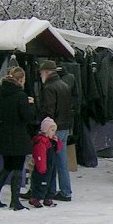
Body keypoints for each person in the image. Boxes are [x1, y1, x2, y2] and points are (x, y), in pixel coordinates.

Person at [0, 66, 34, 211]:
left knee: (7, 165)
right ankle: (15, 201)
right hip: (18, 134)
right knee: (17, 166)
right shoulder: (21, 96)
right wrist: (31, 105)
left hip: (3, 133)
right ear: (21, 79)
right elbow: (27, 117)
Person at [39, 59, 73, 202]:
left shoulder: (49, 88)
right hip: (65, 126)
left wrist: (45, 128)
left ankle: (58, 191)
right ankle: (65, 190)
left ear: (46, 72)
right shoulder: (64, 85)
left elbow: (49, 110)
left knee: (53, 162)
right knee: (62, 161)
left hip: (54, 128)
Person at [28, 117, 61, 208]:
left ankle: (48, 198)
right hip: (43, 167)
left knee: (51, 182)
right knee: (41, 183)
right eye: (52, 130)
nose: (54, 132)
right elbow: (40, 156)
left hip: (51, 166)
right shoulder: (41, 142)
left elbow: (58, 149)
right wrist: (42, 167)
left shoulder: (51, 141)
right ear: (45, 130)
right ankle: (36, 198)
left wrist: (57, 141)